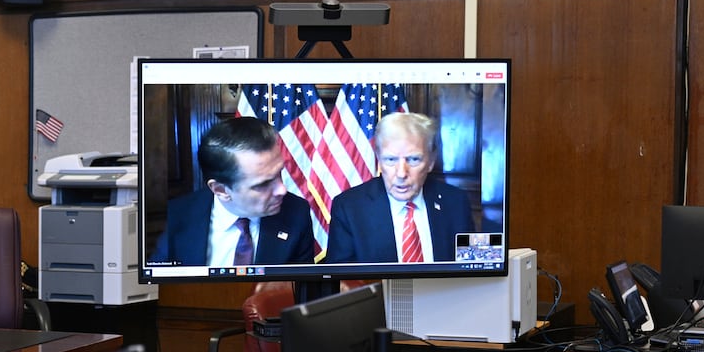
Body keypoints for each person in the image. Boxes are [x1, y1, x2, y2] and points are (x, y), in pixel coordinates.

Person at [151, 115, 315, 268]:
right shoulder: (176, 217)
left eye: (280, 172)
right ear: (220, 190)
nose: (282, 190)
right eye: (263, 184)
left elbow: (297, 290)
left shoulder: (296, 213)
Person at [325, 112, 475, 264]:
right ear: (379, 159)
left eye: (413, 159)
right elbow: (340, 282)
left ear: (430, 161)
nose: (402, 173)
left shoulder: (456, 202)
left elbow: (471, 272)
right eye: (391, 160)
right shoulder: (349, 207)